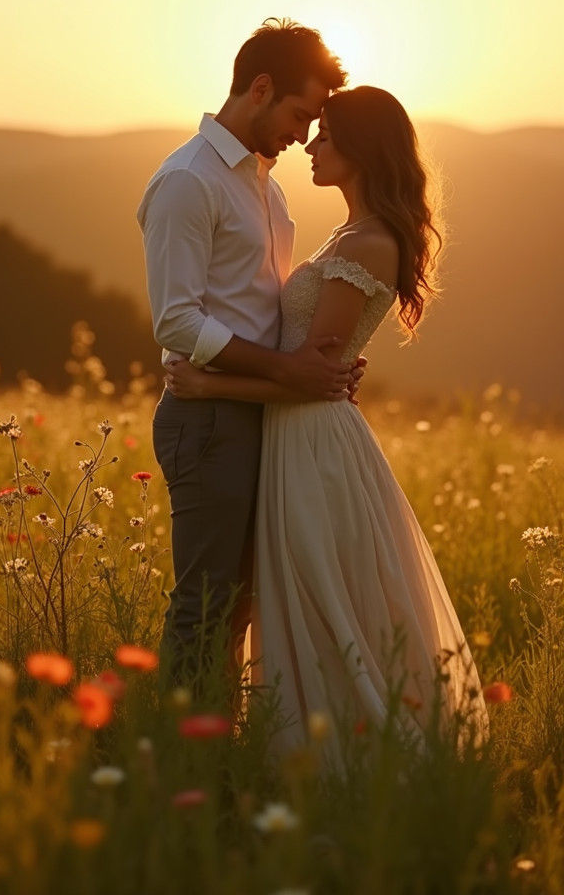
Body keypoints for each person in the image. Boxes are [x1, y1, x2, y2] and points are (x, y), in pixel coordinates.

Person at [164, 85, 489, 753]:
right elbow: (311, 368)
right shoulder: (348, 233)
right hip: (293, 433)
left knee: (321, 594)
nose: (311, 145)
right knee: (296, 593)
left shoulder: (369, 243)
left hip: (313, 441)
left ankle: (340, 749)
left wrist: (204, 382)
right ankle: (290, 738)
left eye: (327, 137)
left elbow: (312, 380)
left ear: (363, 149)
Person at [137, 19, 355, 683]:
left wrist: (322, 357)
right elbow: (177, 321)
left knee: (243, 607)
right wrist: (288, 370)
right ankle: (180, 767)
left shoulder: (269, 186)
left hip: (258, 410)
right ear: (259, 89)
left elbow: (265, 302)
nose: (305, 135)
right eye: (300, 114)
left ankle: (220, 757)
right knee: (206, 605)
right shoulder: (188, 181)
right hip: (206, 421)